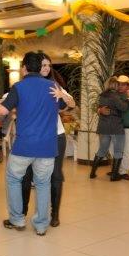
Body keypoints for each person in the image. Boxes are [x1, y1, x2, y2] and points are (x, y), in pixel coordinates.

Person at [0, 51, 61, 236]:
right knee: (43, 184)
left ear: (24, 68)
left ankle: (17, 219)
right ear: (40, 67)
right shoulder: (54, 87)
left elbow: (3, 109)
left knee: (14, 179)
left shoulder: (20, 87)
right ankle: (41, 225)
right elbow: (66, 105)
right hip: (48, 147)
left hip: (24, 147)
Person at [21, 53, 75, 227]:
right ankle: (21, 213)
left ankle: (55, 214)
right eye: (43, 65)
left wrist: (62, 96)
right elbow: (6, 100)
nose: (46, 68)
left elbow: (72, 104)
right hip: (33, 137)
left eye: (48, 65)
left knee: (56, 175)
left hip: (56, 136)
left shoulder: (54, 86)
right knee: (26, 175)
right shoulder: (25, 85)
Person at [89, 76, 129, 181]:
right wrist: (128, 100)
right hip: (115, 126)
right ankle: (114, 175)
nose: (120, 86)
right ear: (116, 85)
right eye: (118, 84)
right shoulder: (115, 96)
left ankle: (92, 173)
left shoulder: (102, 95)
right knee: (118, 151)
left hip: (103, 126)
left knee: (102, 150)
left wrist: (102, 110)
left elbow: (99, 108)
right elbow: (123, 108)